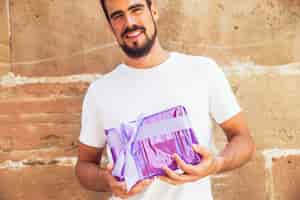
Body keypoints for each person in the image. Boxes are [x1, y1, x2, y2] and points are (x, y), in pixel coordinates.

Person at [75, 0, 255, 199]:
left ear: (153, 11)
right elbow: (84, 166)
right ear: (110, 26)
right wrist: (106, 180)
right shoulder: (100, 91)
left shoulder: (203, 71)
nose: (129, 22)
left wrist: (217, 164)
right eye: (118, 16)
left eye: (136, 9)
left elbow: (243, 139)